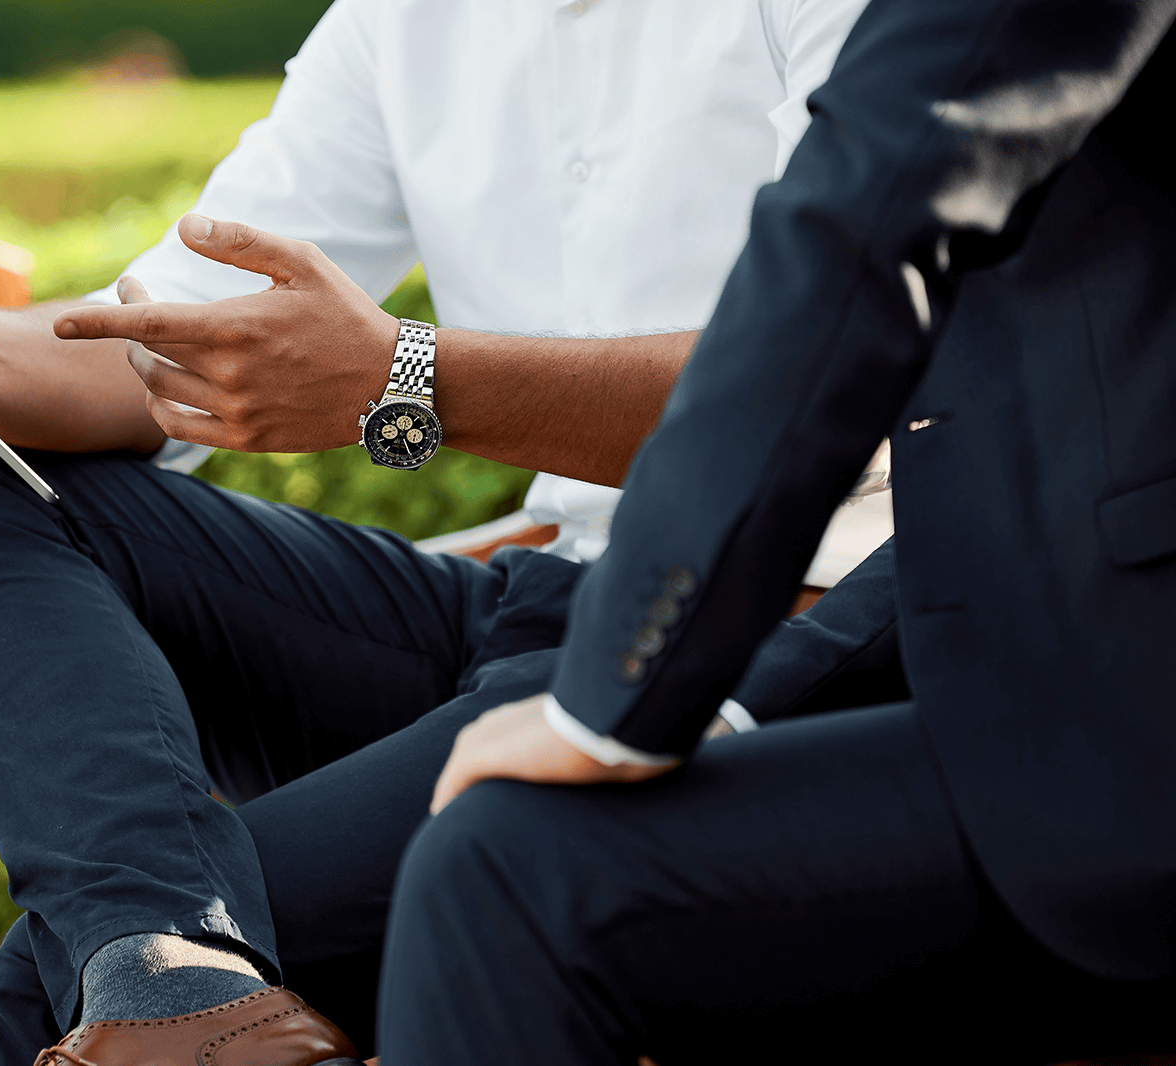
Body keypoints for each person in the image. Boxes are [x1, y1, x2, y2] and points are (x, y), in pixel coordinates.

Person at [0, 0, 878, 1061]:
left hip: (783, 629)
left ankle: (167, 977)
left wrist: (410, 377)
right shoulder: (403, 22)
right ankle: (175, 971)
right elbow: (174, 334)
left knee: (52, 989)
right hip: (538, 602)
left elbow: (839, 372)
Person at [372, 0, 1176, 1062]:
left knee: (505, 874)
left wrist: (612, 697)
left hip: (1121, 741)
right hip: (1034, 683)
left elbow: (861, 220)